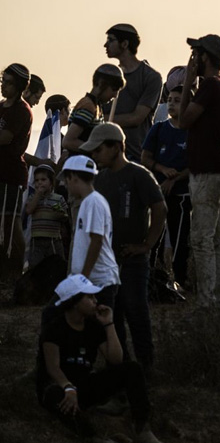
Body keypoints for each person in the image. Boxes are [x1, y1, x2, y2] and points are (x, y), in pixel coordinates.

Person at [37, 274, 162, 443]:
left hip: (84, 384)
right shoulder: (55, 328)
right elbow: (53, 367)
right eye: (89, 297)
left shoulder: (93, 326)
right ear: (74, 302)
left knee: (132, 369)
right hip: (60, 386)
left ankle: (141, 427)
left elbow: (116, 359)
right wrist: (67, 387)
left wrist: (109, 324)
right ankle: (93, 437)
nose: (95, 300)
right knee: (54, 396)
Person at [84, 123, 166, 369]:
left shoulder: (138, 174)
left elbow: (160, 208)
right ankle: (120, 369)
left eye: (98, 150)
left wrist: (147, 245)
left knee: (135, 310)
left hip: (132, 258)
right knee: (112, 315)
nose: (94, 155)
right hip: (108, 260)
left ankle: (145, 366)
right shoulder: (100, 179)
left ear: (116, 147)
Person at [179, 34, 220, 309]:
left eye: (195, 54)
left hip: (206, 171)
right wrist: (215, 136)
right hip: (219, 167)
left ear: (204, 57)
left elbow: (182, 121)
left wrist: (187, 85)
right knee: (214, 237)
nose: (192, 59)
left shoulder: (209, 87)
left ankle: (207, 302)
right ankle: (219, 297)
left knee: (201, 238)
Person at [142, 87, 192, 287]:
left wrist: (175, 177)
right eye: (170, 99)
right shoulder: (159, 128)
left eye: (178, 100)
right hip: (158, 192)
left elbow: (197, 162)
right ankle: (151, 278)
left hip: (181, 193)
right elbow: (146, 158)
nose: (172, 103)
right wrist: (162, 169)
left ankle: (180, 280)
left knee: (180, 238)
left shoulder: (193, 132)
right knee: (153, 236)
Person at [62, 155, 120, 309]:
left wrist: (83, 279)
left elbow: (97, 240)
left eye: (67, 180)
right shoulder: (88, 202)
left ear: (73, 177)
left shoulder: (93, 202)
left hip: (99, 281)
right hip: (91, 280)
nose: (65, 185)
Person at [103, 24, 163, 163]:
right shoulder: (107, 76)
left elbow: (136, 118)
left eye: (111, 40)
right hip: (107, 156)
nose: (105, 45)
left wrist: (100, 120)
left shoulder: (150, 77)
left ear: (124, 44)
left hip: (136, 156)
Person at [1, 63, 33, 281]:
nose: (3, 86)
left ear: (20, 86)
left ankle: (17, 273)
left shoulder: (21, 110)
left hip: (9, 175)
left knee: (9, 225)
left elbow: (5, 138)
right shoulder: (2, 106)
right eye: (3, 81)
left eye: (9, 83)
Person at [62, 64, 125, 157]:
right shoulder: (88, 106)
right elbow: (68, 141)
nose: (115, 95)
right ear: (101, 84)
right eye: (114, 89)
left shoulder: (96, 107)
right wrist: (98, 151)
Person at [24, 166, 70, 270]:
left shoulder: (58, 198)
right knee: (35, 267)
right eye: (36, 180)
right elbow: (29, 210)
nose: (39, 183)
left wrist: (60, 214)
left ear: (51, 183)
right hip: (37, 239)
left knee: (56, 266)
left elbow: (65, 216)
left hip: (53, 239)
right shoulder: (32, 198)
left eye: (43, 180)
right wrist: (37, 195)